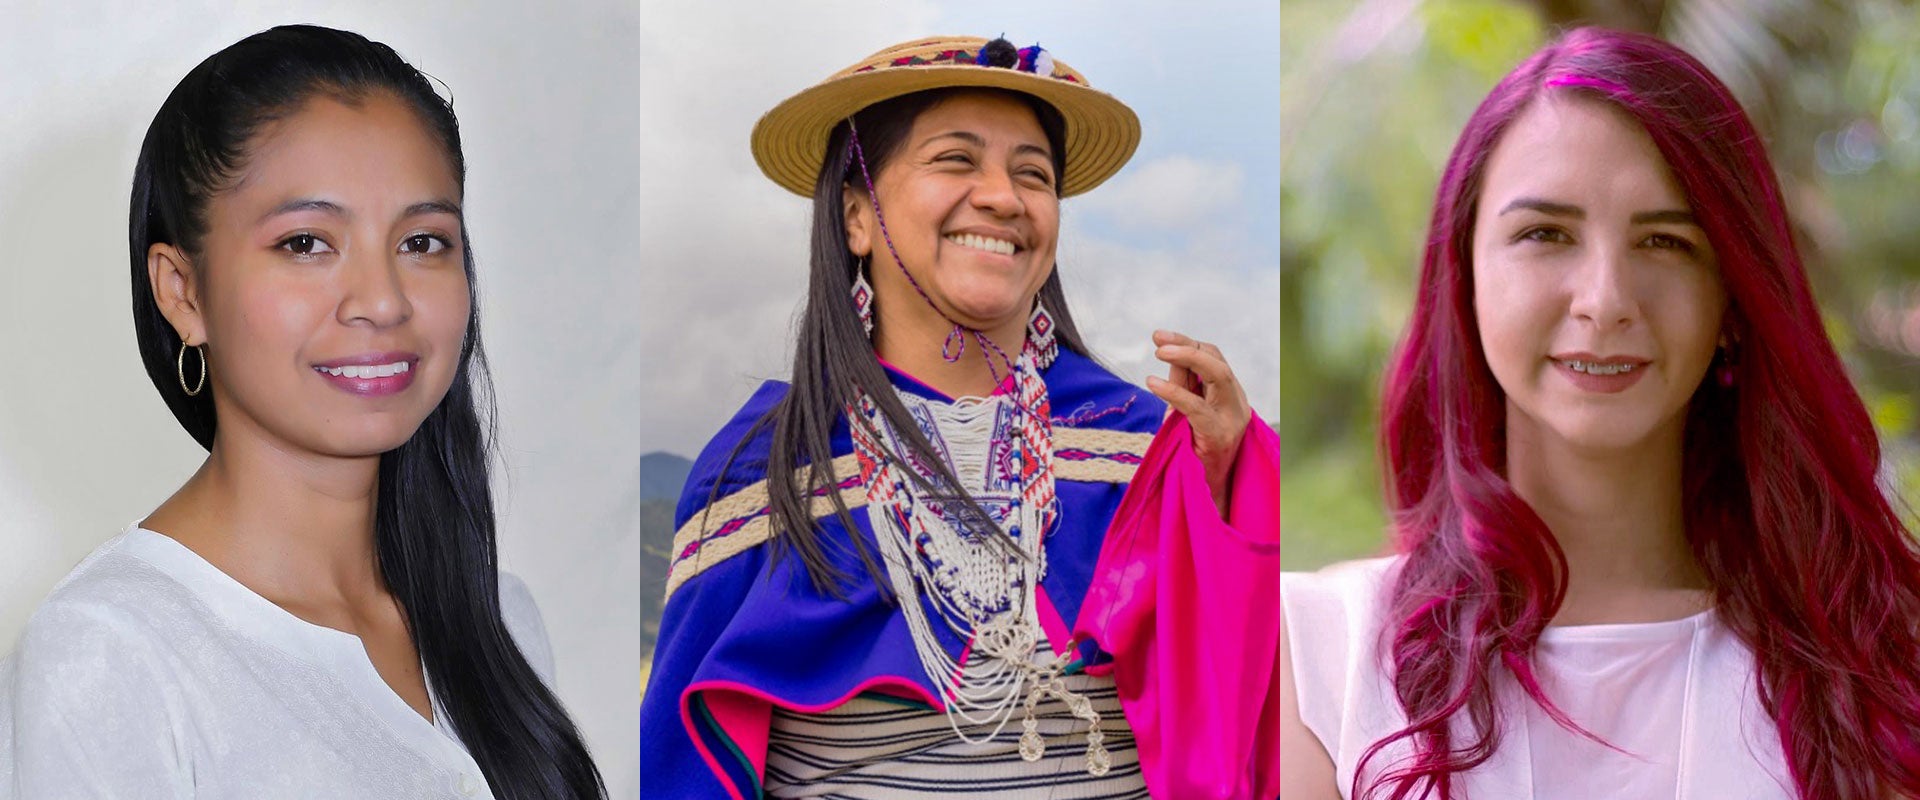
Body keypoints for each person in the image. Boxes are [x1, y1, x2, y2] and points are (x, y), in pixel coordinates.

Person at [1281, 26, 1920, 800]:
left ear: (1733, 301)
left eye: (1665, 242)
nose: (1606, 300)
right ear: (1464, 278)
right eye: (1545, 234)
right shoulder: (1319, 658)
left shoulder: (1875, 668)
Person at [640, 35, 1278, 798]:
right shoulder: (761, 470)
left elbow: (1245, 728)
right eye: (955, 159)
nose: (1003, 198)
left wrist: (1229, 491)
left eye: (1032, 174)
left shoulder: (1149, 450)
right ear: (856, 218)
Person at [0, 25, 604, 799]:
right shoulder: (112, 656)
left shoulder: (497, 619)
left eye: (422, 241)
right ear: (182, 292)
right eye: (306, 244)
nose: (383, 301)